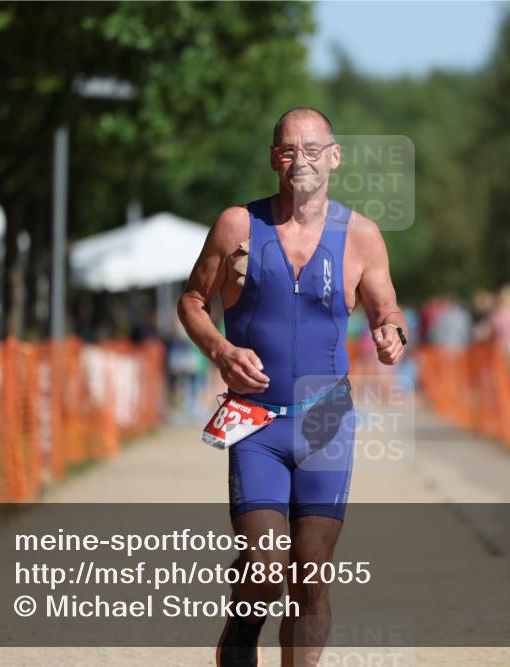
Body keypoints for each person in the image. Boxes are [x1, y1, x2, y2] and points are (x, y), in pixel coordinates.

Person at [177, 107, 408, 667]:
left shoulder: (361, 234)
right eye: (287, 150)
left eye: (311, 149)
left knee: (310, 572)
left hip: (325, 417)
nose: (298, 160)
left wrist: (390, 334)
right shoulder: (238, 225)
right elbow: (191, 302)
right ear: (273, 158)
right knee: (264, 563)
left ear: (334, 156)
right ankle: (240, 634)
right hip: (253, 418)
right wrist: (222, 351)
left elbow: (387, 308)